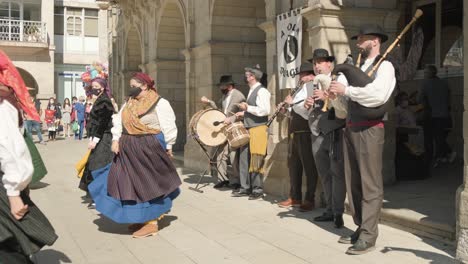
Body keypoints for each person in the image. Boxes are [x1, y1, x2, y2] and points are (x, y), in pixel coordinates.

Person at [329, 24, 396, 254]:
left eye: (362, 39)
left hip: (370, 130)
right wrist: (335, 92)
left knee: (370, 184)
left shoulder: (385, 67)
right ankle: (360, 226)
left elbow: (377, 96)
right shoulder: (357, 66)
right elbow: (344, 101)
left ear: (375, 41)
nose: (358, 43)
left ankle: (369, 234)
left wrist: (346, 91)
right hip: (350, 127)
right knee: (353, 183)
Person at [89, 72, 181, 238]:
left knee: (148, 184)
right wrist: (116, 139)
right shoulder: (129, 102)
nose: (130, 89)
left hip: (150, 146)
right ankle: (140, 217)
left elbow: (169, 125)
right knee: (127, 184)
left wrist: (169, 146)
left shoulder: (160, 103)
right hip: (128, 147)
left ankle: (151, 222)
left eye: (133, 86)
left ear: (144, 86)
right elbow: (118, 120)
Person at [0, 50, 57, 263]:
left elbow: (8, 146)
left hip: (4, 185)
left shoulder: (2, 103)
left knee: (8, 248)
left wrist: (14, 194)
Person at [304, 49, 348, 226]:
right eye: (314, 63)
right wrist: (307, 105)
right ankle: (329, 209)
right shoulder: (311, 84)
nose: (316, 66)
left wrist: (326, 96)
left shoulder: (338, 79)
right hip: (316, 133)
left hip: (334, 131)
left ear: (329, 64)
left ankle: (338, 212)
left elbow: (344, 107)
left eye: (320, 62)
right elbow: (306, 110)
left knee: (337, 174)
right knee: (325, 175)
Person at [276, 62, 319, 212]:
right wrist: (285, 109)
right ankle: (295, 197)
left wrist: (291, 103)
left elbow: (308, 112)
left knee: (309, 167)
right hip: (294, 131)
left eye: (303, 75)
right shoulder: (300, 88)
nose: (300, 78)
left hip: (306, 132)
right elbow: (295, 111)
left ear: (311, 75)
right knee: (294, 166)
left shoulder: (312, 87)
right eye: (300, 75)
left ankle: (309, 199)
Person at [232, 65, 271, 200]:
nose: (245, 77)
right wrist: (244, 113)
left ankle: (257, 189)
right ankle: (245, 187)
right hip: (249, 127)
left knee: (256, 159)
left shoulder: (262, 91)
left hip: (258, 128)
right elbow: (255, 110)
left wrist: (247, 107)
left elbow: (265, 110)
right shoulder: (252, 90)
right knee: (244, 159)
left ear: (253, 77)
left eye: (247, 75)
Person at [201, 75, 246, 190]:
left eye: (222, 85)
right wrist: (209, 102)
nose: (221, 87)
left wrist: (231, 120)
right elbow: (220, 111)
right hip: (224, 129)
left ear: (229, 86)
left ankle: (236, 181)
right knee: (221, 154)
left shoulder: (239, 96)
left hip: (234, 129)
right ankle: (223, 179)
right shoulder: (225, 96)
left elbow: (243, 113)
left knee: (233, 155)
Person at [78, 78, 115, 209]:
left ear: (103, 87)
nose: (94, 88)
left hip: (104, 138)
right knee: (93, 166)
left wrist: (95, 139)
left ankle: (101, 197)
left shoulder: (104, 101)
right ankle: (97, 196)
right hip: (99, 137)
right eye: (92, 86)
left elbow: (103, 123)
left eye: (96, 86)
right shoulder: (98, 99)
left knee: (99, 167)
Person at [418, 64, 456, 167]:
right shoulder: (444, 83)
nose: (424, 74)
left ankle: (433, 159)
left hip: (431, 115)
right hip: (444, 115)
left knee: (431, 139)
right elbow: (449, 98)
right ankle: (442, 156)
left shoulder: (425, 84)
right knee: (440, 137)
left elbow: (419, 99)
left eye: (426, 72)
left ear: (431, 73)